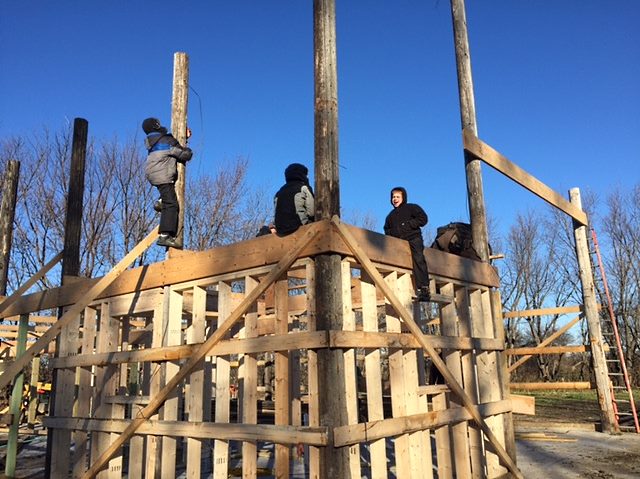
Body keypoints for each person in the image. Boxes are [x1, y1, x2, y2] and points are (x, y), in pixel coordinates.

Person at [142, 117, 193, 249]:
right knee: (171, 204)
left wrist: (183, 138)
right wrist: (189, 150)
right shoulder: (166, 140)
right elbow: (182, 154)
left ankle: (160, 201)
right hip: (162, 175)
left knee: (166, 194)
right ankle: (165, 236)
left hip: (153, 174)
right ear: (157, 126)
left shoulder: (153, 142)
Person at [383, 186, 431, 302]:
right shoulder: (390, 216)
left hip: (413, 238)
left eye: (398, 197)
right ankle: (393, 288)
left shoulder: (411, 208)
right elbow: (386, 229)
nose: (395, 199)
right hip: (398, 242)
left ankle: (423, 289)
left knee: (418, 259)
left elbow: (423, 219)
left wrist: (409, 225)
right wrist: (393, 232)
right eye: (393, 197)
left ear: (403, 197)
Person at [273, 163, 315, 236]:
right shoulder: (303, 188)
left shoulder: (278, 193)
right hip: (299, 228)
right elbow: (312, 212)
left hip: (281, 231)